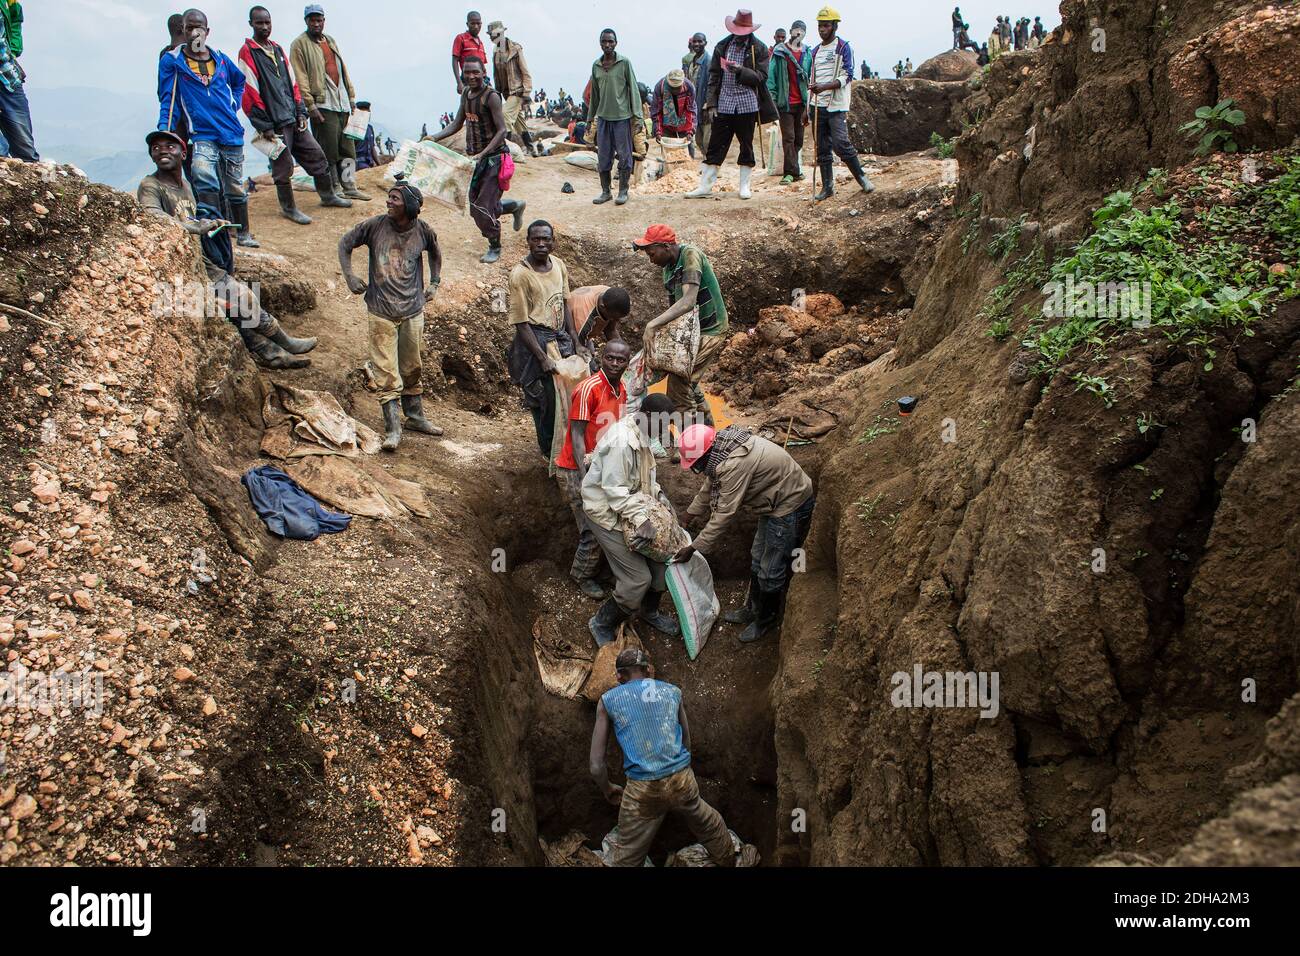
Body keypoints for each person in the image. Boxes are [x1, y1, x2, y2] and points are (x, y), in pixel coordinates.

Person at [138, 129, 317, 370]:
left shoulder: (185, 185)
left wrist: (212, 223)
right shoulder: (151, 185)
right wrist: (193, 227)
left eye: (169, 147)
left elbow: (191, 217)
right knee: (239, 301)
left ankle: (274, 350)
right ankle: (281, 345)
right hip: (178, 270)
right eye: (156, 147)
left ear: (183, 154)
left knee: (236, 305)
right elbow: (153, 216)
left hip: (200, 262)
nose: (162, 151)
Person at [589, 647, 738, 867]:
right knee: (708, 822)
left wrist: (607, 788)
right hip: (682, 778)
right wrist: (679, 772)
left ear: (619, 675)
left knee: (629, 855)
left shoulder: (608, 700)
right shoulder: (672, 691)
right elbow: (686, 741)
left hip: (643, 789)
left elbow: (596, 765)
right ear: (648, 670)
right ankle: (728, 859)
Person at [675, 424, 814, 643]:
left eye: (696, 465)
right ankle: (752, 608)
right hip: (772, 501)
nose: (698, 470)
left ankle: (766, 620)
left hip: (789, 504)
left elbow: (723, 514)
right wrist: (689, 515)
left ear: (705, 455)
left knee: (771, 568)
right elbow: (709, 487)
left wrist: (693, 548)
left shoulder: (734, 464)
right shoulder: (721, 450)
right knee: (758, 556)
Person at [338, 179, 444, 451]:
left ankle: (415, 417)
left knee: (413, 366)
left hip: (412, 309)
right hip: (381, 310)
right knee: (386, 371)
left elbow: (435, 252)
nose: (389, 202)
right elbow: (345, 243)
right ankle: (393, 428)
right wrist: (349, 276)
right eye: (389, 197)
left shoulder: (422, 230)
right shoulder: (375, 226)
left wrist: (434, 283)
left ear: (409, 206)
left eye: (395, 199)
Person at [582, 393, 681, 644]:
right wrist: (642, 520)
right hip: (606, 512)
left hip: (631, 505)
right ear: (648, 416)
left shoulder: (643, 432)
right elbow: (614, 491)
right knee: (638, 579)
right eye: (662, 423)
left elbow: (645, 478)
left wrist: (660, 498)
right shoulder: (621, 441)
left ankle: (649, 612)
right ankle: (601, 623)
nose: (665, 430)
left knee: (662, 562)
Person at [239, 7, 343, 227]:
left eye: (267, 22)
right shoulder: (248, 52)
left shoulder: (276, 49)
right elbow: (249, 92)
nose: (265, 27)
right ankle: (289, 208)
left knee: (316, 155)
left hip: (292, 116)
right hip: (274, 122)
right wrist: (264, 124)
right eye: (259, 23)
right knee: (283, 167)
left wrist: (300, 110)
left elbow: (293, 82)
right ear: (251, 24)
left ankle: (327, 195)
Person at [432, 56, 527, 264]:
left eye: (476, 72)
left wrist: (483, 153)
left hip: (494, 159)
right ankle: (514, 206)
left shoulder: (491, 97)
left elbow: (502, 131)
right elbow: (457, 122)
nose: (471, 76)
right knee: (478, 201)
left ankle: (495, 245)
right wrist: (435, 137)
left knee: (480, 208)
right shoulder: (466, 93)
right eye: (467, 72)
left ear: (484, 72)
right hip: (475, 160)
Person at [555, 340, 630, 600]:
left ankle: (598, 570)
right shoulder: (588, 389)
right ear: (601, 357)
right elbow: (576, 434)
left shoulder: (621, 389)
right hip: (577, 466)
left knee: (608, 523)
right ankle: (581, 575)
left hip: (600, 465)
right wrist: (585, 478)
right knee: (591, 527)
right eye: (610, 358)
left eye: (621, 360)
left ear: (627, 363)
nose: (615, 364)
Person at [634, 224, 727, 427]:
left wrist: (652, 325)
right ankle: (709, 434)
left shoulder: (690, 255)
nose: (651, 260)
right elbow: (676, 310)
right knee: (688, 385)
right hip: (692, 331)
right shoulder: (668, 269)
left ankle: (691, 447)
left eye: (651, 254)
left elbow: (688, 301)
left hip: (711, 328)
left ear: (666, 246)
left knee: (678, 387)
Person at [507, 221, 579, 462]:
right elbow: (521, 322)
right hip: (536, 342)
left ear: (553, 241)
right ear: (527, 241)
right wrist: (542, 358)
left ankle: (566, 447)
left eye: (546, 239)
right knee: (543, 399)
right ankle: (548, 450)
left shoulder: (558, 265)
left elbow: (566, 303)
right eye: (536, 239)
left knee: (567, 397)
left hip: (559, 339)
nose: (541, 244)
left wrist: (574, 339)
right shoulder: (521, 275)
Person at [687, 10, 775, 201]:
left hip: (747, 104)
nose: (739, 35)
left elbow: (762, 77)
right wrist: (711, 104)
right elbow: (714, 76)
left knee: (746, 144)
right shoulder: (723, 45)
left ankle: (744, 186)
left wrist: (741, 70)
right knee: (715, 145)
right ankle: (705, 186)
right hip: (725, 102)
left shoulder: (758, 48)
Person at [290, 4, 371, 203]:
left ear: (324, 21)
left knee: (348, 147)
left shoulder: (330, 40)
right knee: (329, 150)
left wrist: (351, 96)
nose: (316, 24)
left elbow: (342, 70)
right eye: (312, 20)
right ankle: (334, 187)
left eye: (319, 20)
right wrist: (310, 105)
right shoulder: (299, 44)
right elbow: (300, 76)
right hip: (322, 102)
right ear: (306, 21)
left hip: (341, 100)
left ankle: (349, 185)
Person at [809, 8, 873, 201]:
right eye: (820, 25)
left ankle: (862, 179)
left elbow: (847, 75)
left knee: (841, 143)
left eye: (826, 25)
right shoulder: (815, 52)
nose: (822, 29)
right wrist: (807, 107)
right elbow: (811, 81)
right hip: (816, 105)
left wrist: (825, 86)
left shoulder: (843, 47)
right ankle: (827, 187)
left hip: (835, 105)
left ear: (835, 26)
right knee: (821, 148)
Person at [587, 29, 641, 206]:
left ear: (616, 43)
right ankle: (605, 191)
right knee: (603, 157)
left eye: (611, 41)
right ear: (600, 43)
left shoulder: (624, 63)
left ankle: (623, 191)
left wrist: (638, 117)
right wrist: (589, 119)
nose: (607, 45)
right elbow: (594, 95)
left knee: (625, 156)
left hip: (622, 118)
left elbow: (633, 90)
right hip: (603, 118)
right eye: (604, 41)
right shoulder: (596, 66)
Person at [767, 20, 812, 185]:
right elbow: (771, 79)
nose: (799, 34)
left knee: (799, 139)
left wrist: (810, 102)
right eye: (796, 30)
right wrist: (772, 102)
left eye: (802, 31)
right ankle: (790, 172)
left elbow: (810, 76)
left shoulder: (807, 53)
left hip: (801, 103)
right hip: (784, 103)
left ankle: (794, 170)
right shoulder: (779, 52)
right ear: (791, 32)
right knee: (789, 138)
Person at [487, 20, 539, 157]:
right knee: (518, 121)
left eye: (494, 34)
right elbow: (496, 73)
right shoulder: (496, 51)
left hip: (517, 91)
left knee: (505, 116)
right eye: (491, 35)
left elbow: (525, 72)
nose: (492, 38)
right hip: (505, 92)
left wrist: (527, 92)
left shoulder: (515, 49)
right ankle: (532, 148)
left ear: (501, 33)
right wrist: (497, 91)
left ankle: (505, 152)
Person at [0, 0, 36, 162]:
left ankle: (33, 186)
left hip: (8, 76)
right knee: (1, 151)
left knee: (25, 148)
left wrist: (14, 50)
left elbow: (15, 18)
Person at [650, 69, 696, 145]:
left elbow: (690, 111)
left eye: (677, 88)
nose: (675, 91)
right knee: (669, 151)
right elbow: (657, 112)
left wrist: (690, 131)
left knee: (687, 150)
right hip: (666, 125)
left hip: (684, 124)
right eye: (672, 88)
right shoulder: (660, 87)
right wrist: (658, 131)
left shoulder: (689, 87)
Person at [452, 11, 486, 95]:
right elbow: (454, 60)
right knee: (470, 104)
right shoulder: (461, 38)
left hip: (483, 79)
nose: (476, 26)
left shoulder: (480, 43)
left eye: (478, 23)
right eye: (472, 24)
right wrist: (459, 82)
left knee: (492, 99)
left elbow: (483, 65)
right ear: (467, 24)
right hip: (469, 80)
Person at [353, 101, 377, 169]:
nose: (368, 115)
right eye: (366, 112)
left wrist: (379, 165)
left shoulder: (370, 128)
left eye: (369, 112)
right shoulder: (353, 128)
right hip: (358, 163)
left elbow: (372, 148)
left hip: (369, 163)